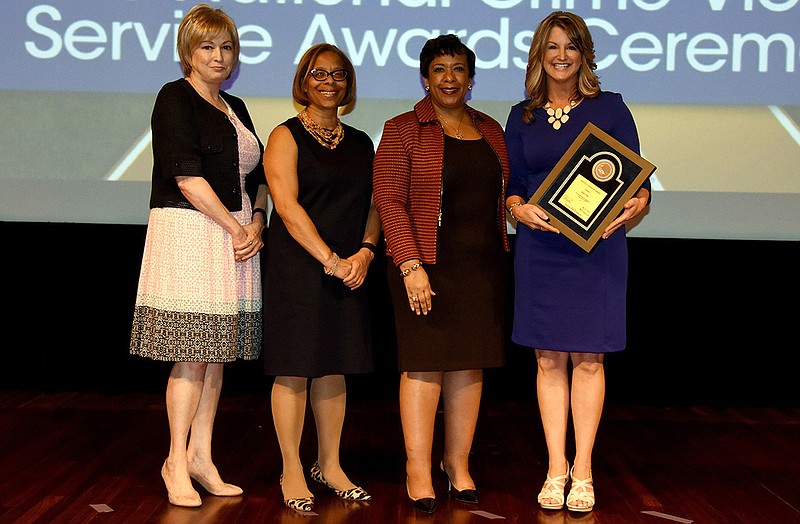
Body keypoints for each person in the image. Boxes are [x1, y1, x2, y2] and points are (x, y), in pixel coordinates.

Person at [504, 11, 652, 513]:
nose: (561, 55)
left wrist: (639, 202)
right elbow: (515, 185)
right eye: (552, 47)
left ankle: (583, 472)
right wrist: (516, 208)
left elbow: (636, 178)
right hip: (542, 248)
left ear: (584, 54)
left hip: (599, 250)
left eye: (571, 46)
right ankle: (554, 469)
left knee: (590, 358)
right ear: (539, 56)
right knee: (547, 358)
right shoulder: (521, 115)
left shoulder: (610, 108)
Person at [129, 4, 268, 508]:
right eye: (208, 46)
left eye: (227, 46)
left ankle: (201, 456)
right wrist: (236, 226)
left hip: (233, 235)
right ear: (188, 51)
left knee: (217, 353)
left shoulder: (237, 106)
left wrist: (255, 222)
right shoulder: (174, 98)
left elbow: (256, 180)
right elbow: (186, 175)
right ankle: (173, 459)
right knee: (191, 355)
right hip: (192, 231)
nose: (219, 56)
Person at [373, 34, 510, 514]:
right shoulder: (403, 128)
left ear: (471, 80)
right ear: (424, 77)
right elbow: (389, 200)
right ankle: (418, 470)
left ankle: (458, 465)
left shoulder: (492, 129)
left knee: (469, 364)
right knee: (424, 363)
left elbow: (503, 195)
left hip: (482, 267)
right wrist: (410, 265)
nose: (449, 78)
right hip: (424, 265)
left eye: (458, 69)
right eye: (439, 69)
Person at [261, 43, 380, 512]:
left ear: (348, 84)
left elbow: (374, 205)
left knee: (335, 364)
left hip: (349, 269)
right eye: (318, 74)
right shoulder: (284, 136)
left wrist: (366, 254)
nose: (329, 82)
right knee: (294, 367)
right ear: (303, 82)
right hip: (300, 268)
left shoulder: (360, 142)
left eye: (338, 75)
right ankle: (292, 467)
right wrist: (330, 259)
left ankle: (329, 465)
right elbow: (286, 208)